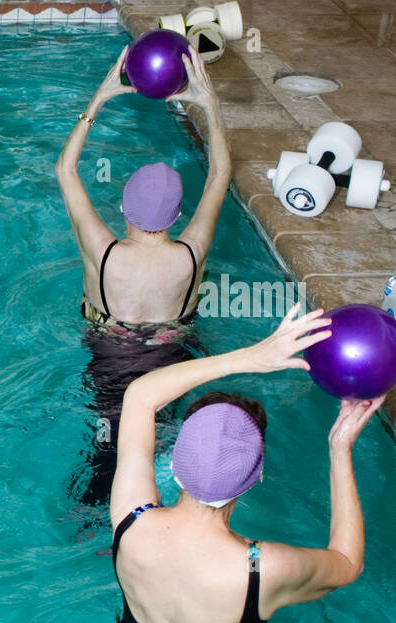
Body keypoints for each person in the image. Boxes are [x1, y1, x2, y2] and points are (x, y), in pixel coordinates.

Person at [109, 304, 383, 623]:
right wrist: (340, 449)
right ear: (253, 479)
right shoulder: (263, 568)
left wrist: (254, 355)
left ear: (174, 466)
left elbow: (140, 397)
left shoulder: (130, 519)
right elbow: (347, 564)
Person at [56, 45, 232, 510]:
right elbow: (219, 176)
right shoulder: (190, 254)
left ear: (123, 208)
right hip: (172, 353)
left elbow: (65, 170)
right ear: (176, 215)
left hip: (110, 356)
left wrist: (101, 96)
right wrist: (209, 106)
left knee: (109, 445)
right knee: (157, 433)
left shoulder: (104, 252)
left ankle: (99, 522)